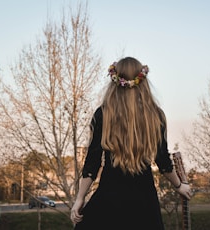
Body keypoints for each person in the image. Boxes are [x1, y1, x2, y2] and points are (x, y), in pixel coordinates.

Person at [70, 57, 192, 230]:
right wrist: (179, 186)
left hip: (108, 199)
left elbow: (92, 163)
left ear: (114, 81)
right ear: (142, 81)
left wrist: (80, 199)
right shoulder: (155, 116)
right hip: (144, 202)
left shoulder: (103, 114)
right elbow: (163, 161)